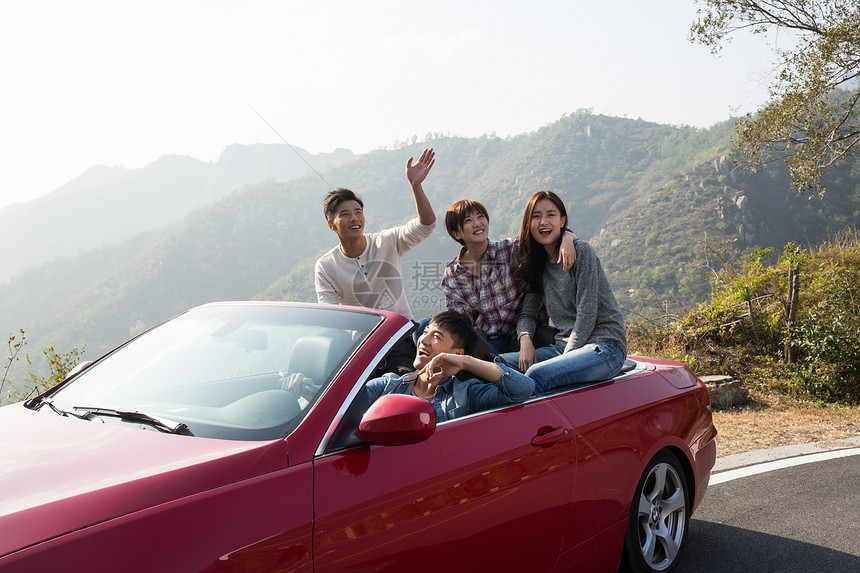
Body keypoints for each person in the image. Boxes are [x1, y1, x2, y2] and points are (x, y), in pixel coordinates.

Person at [315, 149, 436, 372]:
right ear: (331, 224)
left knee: (400, 382)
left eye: (358, 211)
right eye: (344, 214)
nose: (354, 218)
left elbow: (426, 225)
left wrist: (416, 186)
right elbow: (332, 317)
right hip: (361, 346)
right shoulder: (326, 266)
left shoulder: (387, 241)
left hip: (400, 336)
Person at [498, 191, 627, 393]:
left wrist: (565, 360)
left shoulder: (581, 252)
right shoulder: (538, 265)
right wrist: (525, 340)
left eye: (550, 215)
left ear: (562, 221)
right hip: (562, 347)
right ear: (528, 223)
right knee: (496, 365)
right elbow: (528, 313)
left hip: (604, 347)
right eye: (536, 216)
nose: (543, 222)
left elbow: (586, 313)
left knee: (536, 374)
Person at [440, 199, 577, 354]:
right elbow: (461, 322)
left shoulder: (509, 250)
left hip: (526, 334)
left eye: (480, 217)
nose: (477, 223)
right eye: (468, 221)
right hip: (487, 341)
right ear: (457, 233)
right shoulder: (453, 275)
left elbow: (546, 237)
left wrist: (567, 238)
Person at [365, 310, 534, 422]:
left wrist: (465, 362)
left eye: (436, 337)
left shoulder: (465, 394)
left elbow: (522, 389)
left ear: (457, 353)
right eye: (425, 332)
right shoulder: (388, 385)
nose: (423, 340)